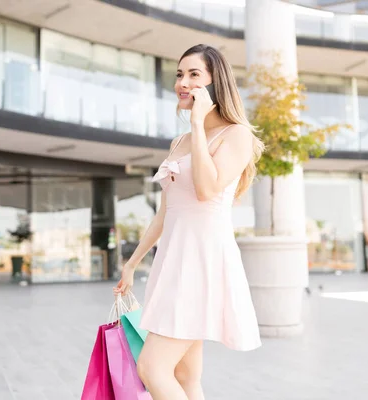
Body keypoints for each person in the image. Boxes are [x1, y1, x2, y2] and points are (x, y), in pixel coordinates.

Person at [113, 44, 264, 400]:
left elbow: (207, 189)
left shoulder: (235, 135)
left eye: (194, 74)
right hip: (173, 259)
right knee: (185, 377)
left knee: (151, 368)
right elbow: (167, 212)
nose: (183, 82)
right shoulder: (178, 142)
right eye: (180, 74)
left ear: (216, 83)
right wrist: (133, 263)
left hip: (203, 260)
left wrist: (198, 123)